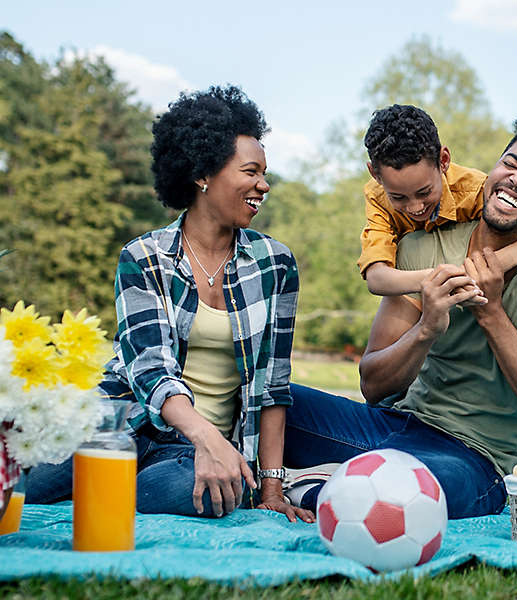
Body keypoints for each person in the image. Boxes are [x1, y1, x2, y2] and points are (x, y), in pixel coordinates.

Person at [283, 114, 517, 519]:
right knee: (270, 403)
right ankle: (334, 481)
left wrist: (492, 312)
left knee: (417, 490)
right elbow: (374, 387)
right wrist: (426, 329)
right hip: (391, 427)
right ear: (492, 170)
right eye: (513, 164)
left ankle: (312, 489)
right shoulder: (420, 248)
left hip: (470, 460)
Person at [26, 85, 313, 524]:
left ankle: (112, 485)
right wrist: (207, 437)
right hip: (125, 423)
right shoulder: (143, 257)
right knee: (26, 480)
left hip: (191, 453)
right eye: (251, 171)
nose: (263, 185)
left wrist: (270, 488)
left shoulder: (276, 263)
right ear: (202, 174)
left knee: (208, 490)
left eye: (264, 173)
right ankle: (108, 475)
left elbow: (273, 384)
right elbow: (151, 369)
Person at [359, 104, 517, 297]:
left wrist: (498, 263)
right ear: (374, 174)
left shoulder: (474, 189)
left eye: (424, 192)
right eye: (398, 197)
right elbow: (377, 278)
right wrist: (447, 278)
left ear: (443, 161)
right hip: (422, 295)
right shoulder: (377, 197)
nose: (415, 206)